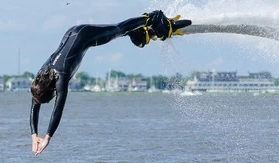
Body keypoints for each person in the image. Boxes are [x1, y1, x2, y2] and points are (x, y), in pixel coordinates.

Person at [30, 10, 190, 154]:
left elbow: (58, 110)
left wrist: (47, 137)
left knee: (119, 29)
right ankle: (140, 33)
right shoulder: (41, 75)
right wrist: (34, 135)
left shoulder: (60, 77)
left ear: (51, 90)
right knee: (125, 33)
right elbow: (35, 101)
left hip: (84, 36)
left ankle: (152, 18)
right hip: (71, 33)